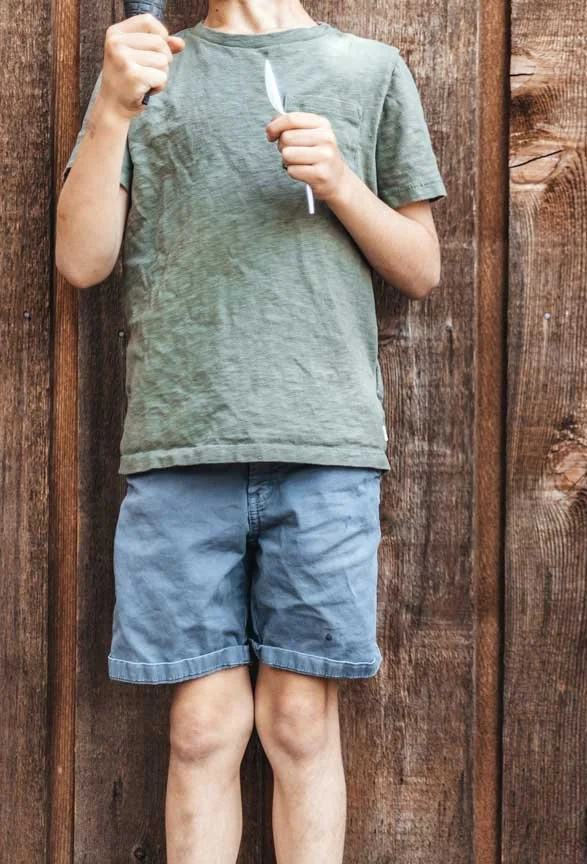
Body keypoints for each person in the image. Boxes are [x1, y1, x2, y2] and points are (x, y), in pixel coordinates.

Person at [55, 1, 445, 860]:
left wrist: (342, 183)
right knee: (200, 728)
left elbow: (421, 266)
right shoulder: (149, 67)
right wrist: (113, 107)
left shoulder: (368, 71)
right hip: (181, 445)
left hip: (324, 448)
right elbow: (82, 260)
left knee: (301, 720)